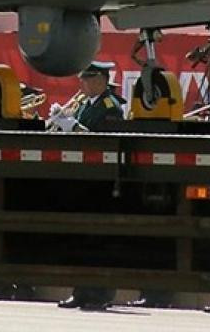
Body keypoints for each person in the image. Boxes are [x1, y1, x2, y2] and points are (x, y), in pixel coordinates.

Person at [59, 61, 123, 312]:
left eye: (86, 79)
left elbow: (102, 143)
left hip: (101, 179)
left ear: (100, 80)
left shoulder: (110, 106)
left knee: (100, 238)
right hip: (82, 177)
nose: (81, 84)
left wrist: (73, 127)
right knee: (81, 236)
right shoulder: (85, 105)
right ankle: (80, 290)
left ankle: (100, 293)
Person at [73, 61, 126, 132]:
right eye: (82, 80)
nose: (81, 83)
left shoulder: (110, 108)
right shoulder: (84, 103)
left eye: (86, 80)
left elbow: (106, 136)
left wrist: (75, 127)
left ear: (100, 82)